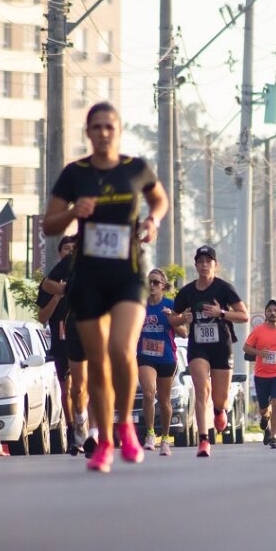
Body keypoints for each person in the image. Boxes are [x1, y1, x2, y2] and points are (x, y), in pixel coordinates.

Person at [43, 102, 169, 473]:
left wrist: (153, 219)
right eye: (95, 127)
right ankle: (103, 443)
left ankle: (126, 425)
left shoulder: (135, 169)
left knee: (121, 350)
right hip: (89, 277)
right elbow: (49, 224)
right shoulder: (74, 174)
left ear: (118, 130)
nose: (102, 133)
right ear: (87, 132)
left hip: (127, 274)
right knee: (97, 362)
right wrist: (72, 213)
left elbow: (158, 198)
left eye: (108, 127)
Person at [170, 246, 248, 458]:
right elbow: (173, 318)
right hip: (199, 347)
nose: (204, 265)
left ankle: (218, 411)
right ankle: (203, 440)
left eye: (208, 261)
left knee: (220, 398)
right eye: (200, 261)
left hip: (221, 346)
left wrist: (221, 312)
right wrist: (182, 319)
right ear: (195, 265)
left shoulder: (224, 288)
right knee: (201, 390)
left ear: (215, 265)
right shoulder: (187, 292)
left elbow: (244, 315)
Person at [36, 234, 88, 455]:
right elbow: (41, 317)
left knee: (82, 386)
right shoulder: (58, 275)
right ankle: (71, 428)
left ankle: (86, 428)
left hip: (85, 335)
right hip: (61, 340)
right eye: (66, 249)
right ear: (60, 253)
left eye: (73, 248)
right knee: (67, 389)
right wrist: (58, 295)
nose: (70, 252)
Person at [137, 268, 185, 456]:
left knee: (164, 400)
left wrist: (171, 319)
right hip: (145, 356)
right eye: (149, 281)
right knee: (149, 393)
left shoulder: (170, 304)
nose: (152, 285)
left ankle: (165, 438)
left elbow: (183, 333)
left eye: (156, 282)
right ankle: (150, 434)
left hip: (166, 357)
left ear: (163, 286)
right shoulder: (140, 305)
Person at [244, 299, 276, 449]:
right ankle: (266, 418)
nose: (272, 313)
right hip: (261, 375)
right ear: (265, 313)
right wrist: (259, 352)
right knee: (264, 409)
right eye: (269, 310)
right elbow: (246, 347)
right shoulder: (258, 330)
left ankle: (274, 437)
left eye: (275, 310)